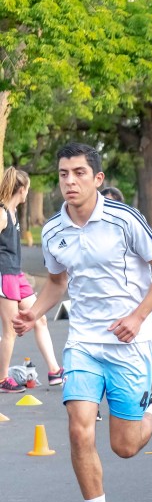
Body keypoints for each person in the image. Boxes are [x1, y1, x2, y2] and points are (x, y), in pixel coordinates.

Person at [15, 142, 152, 502]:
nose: (69, 181)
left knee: (124, 446)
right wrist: (33, 313)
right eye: (63, 174)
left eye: (79, 173)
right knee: (78, 425)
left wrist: (138, 316)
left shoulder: (124, 220)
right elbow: (57, 281)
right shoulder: (54, 230)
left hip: (130, 343)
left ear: (98, 179)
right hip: (84, 342)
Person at [0, 167, 64, 392]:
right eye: (27, 189)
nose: (28, 193)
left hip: (16, 273)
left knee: (39, 318)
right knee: (10, 329)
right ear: (21, 189)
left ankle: (54, 371)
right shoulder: (1, 213)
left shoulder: (14, 211)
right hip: (4, 274)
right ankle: (2, 379)